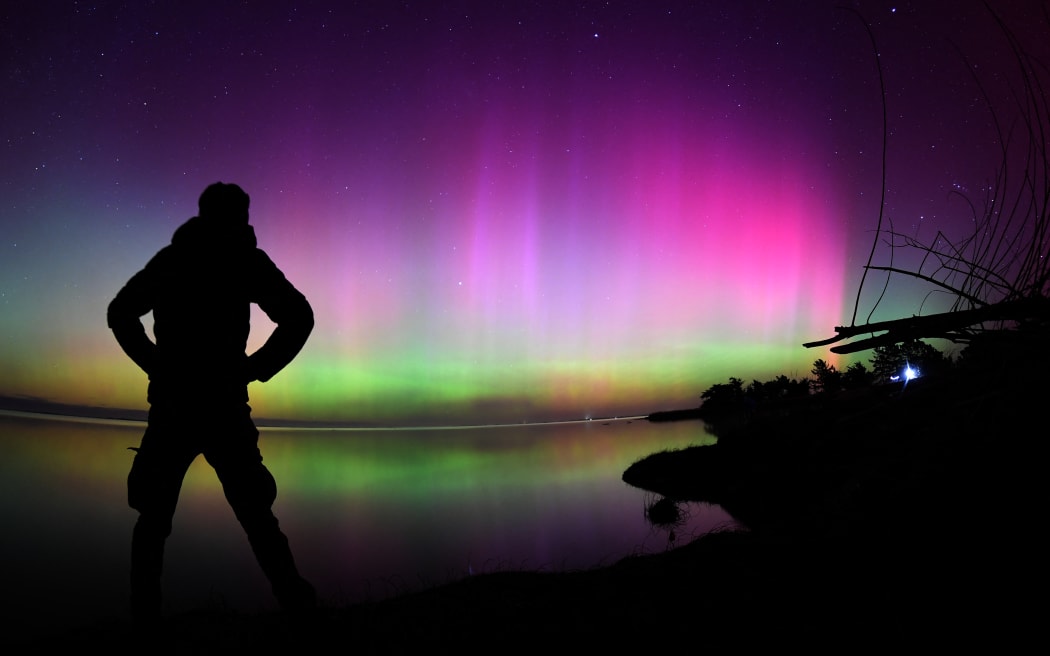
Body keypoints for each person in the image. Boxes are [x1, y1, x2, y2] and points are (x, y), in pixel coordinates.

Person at [107, 182, 316, 624]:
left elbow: (299, 316)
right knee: (241, 517)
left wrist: (250, 368)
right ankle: (299, 608)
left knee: (166, 521)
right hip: (198, 405)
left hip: (195, 405)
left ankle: (145, 622)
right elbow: (121, 311)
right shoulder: (233, 260)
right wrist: (248, 368)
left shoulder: (191, 260)